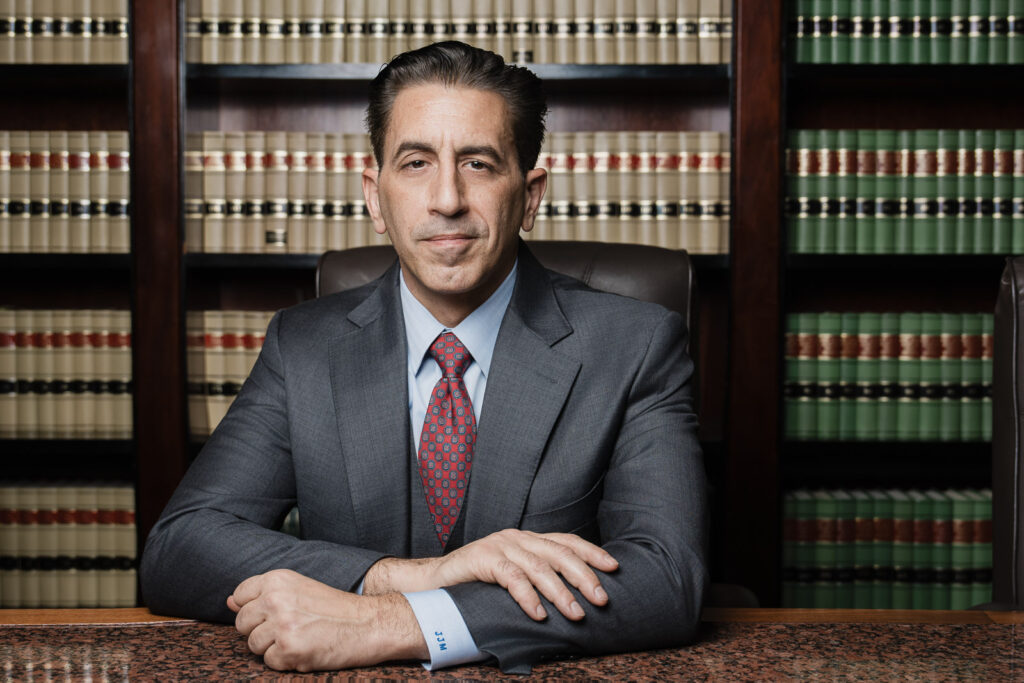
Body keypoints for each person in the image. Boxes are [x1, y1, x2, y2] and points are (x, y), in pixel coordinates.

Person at [140, 41, 707, 674]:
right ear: (375, 196)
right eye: (415, 163)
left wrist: (401, 622)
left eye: (479, 163)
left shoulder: (635, 347)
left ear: (531, 194)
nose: (446, 199)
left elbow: (666, 579)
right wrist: (409, 578)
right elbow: (179, 548)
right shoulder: (302, 347)